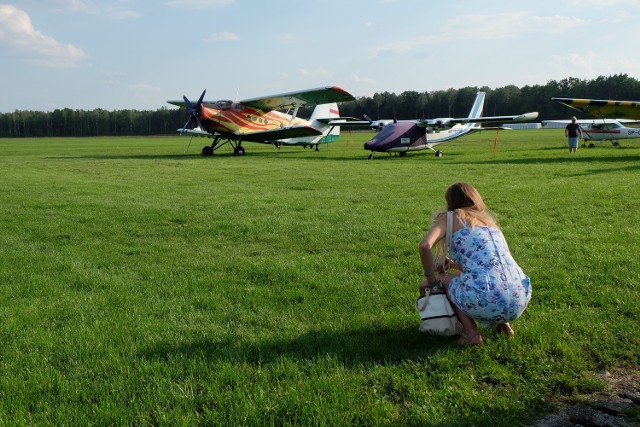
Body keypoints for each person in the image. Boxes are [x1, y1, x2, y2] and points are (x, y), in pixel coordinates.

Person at [418, 183, 531, 346]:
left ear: (450, 201)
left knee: (444, 279)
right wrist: (455, 265)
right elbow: (489, 265)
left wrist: (430, 277)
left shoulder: (451, 217)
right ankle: (503, 324)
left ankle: (471, 333)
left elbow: (425, 245)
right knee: (492, 279)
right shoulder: (489, 222)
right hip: (518, 298)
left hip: (485, 297)